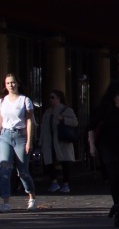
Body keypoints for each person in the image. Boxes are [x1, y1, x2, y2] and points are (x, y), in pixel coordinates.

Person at [87, 80, 119, 227]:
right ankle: (118, 211)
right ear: (114, 96)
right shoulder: (104, 108)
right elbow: (91, 126)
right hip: (106, 146)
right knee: (114, 175)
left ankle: (117, 205)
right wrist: (92, 146)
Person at [0, 73, 38, 212]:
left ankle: (32, 197)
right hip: (5, 135)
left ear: (18, 84)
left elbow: (29, 121)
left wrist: (29, 141)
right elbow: (1, 121)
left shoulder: (24, 100)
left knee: (23, 172)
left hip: (20, 136)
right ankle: (5, 201)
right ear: (5, 85)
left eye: (13, 82)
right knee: (4, 169)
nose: (11, 85)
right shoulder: (2, 101)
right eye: (8, 83)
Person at [40, 89, 79, 193]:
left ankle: (66, 184)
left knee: (64, 162)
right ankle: (54, 182)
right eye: (49, 97)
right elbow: (43, 128)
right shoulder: (47, 112)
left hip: (62, 140)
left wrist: (64, 119)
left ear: (58, 98)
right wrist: (41, 141)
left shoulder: (66, 110)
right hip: (49, 141)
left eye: (53, 97)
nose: (50, 100)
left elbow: (75, 122)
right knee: (49, 161)